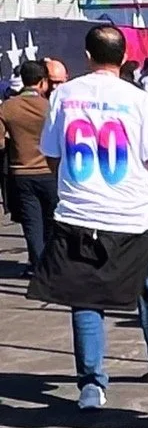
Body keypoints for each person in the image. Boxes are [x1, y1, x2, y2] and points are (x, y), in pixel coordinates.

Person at [36, 23, 148, 410]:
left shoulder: (65, 96)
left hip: (79, 212)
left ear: (87, 57)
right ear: (123, 58)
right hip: (131, 213)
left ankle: (91, 383)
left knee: (84, 299)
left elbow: (52, 154)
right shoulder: (137, 99)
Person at [0, 59, 56, 275]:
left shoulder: (8, 107)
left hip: (21, 172)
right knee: (52, 220)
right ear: (42, 82)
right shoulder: (50, 106)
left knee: (31, 223)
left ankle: (37, 264)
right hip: (49, 171)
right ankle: (52, 265)